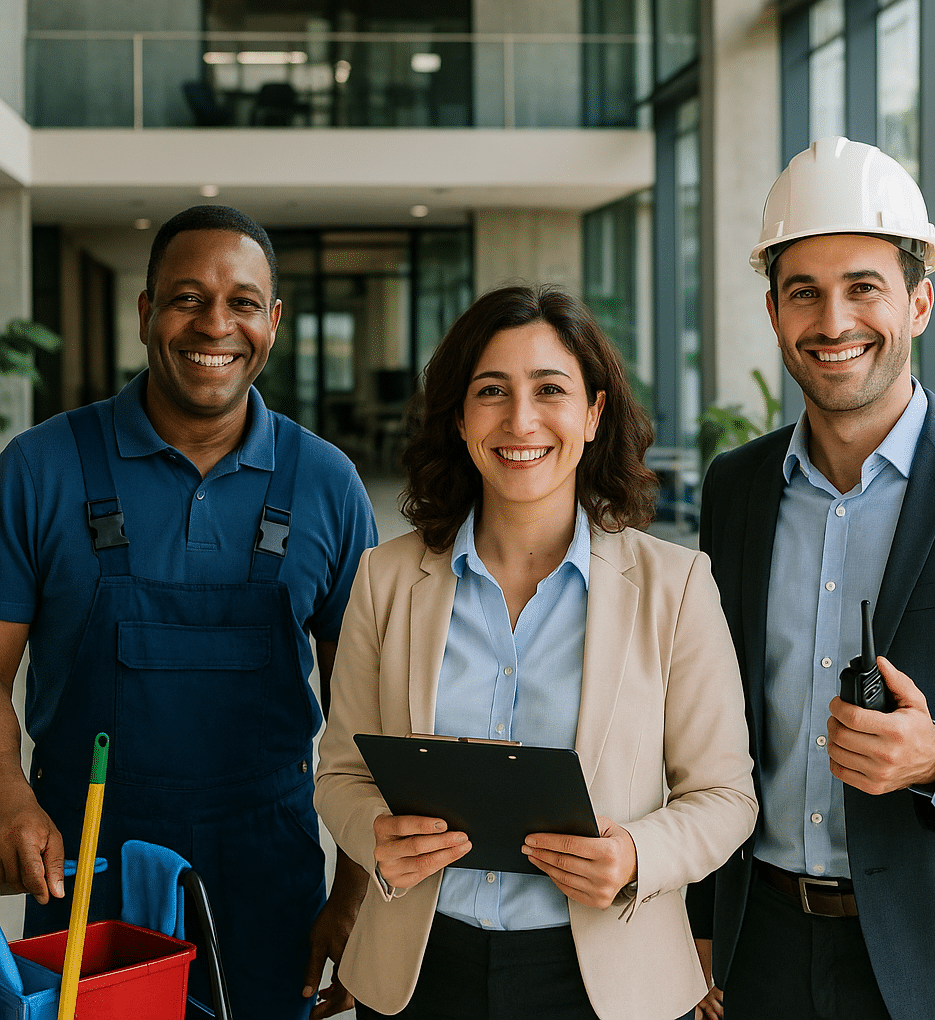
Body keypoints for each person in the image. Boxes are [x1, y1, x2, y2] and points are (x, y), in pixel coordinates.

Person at [313, 284, 758, 1020]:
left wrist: (637, 855)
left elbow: (726, 795)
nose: (520, 420)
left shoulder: (675, 585)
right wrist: (374, 834)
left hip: (610, 983)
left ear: (593, 414)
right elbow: (340, 773)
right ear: (459, 417)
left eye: (550, 389)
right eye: (491, 391)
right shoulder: (384, 578)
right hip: (422, 975)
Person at [0, 205, 378, 1019]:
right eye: (186, 298)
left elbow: (368, 716)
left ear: (273, 322)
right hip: (88, 866)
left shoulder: (327, 483)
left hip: (270, 874)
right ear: (146, 313)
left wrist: (356, 896)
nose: (215, 324)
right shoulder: (39, 469)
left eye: (243, 302)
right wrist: (9, 796)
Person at [688, 135, 935, 1020]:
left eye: (863, 288)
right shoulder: (735, 489)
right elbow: (711, 721)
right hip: (759, 949)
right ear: (773, 312)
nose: (833, 322)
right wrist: (701, 920)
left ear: (919, 303)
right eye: (804, 292)